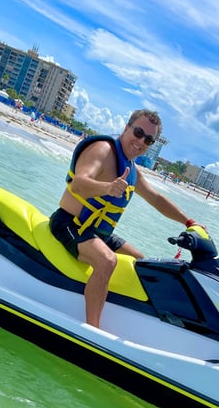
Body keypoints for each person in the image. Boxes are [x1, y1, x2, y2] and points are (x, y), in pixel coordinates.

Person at [49, 109, 200, 328]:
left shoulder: (131, 169)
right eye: (138, 133)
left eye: (148, 140)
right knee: (107, 261)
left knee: (141, 262)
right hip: (69, 224)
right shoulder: (102, 150)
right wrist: (107, 188)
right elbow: (78, 184)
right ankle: (92, 328)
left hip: (97, 233)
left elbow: (155, 198)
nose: (141, 141)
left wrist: (189, 222)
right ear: (126, 127)